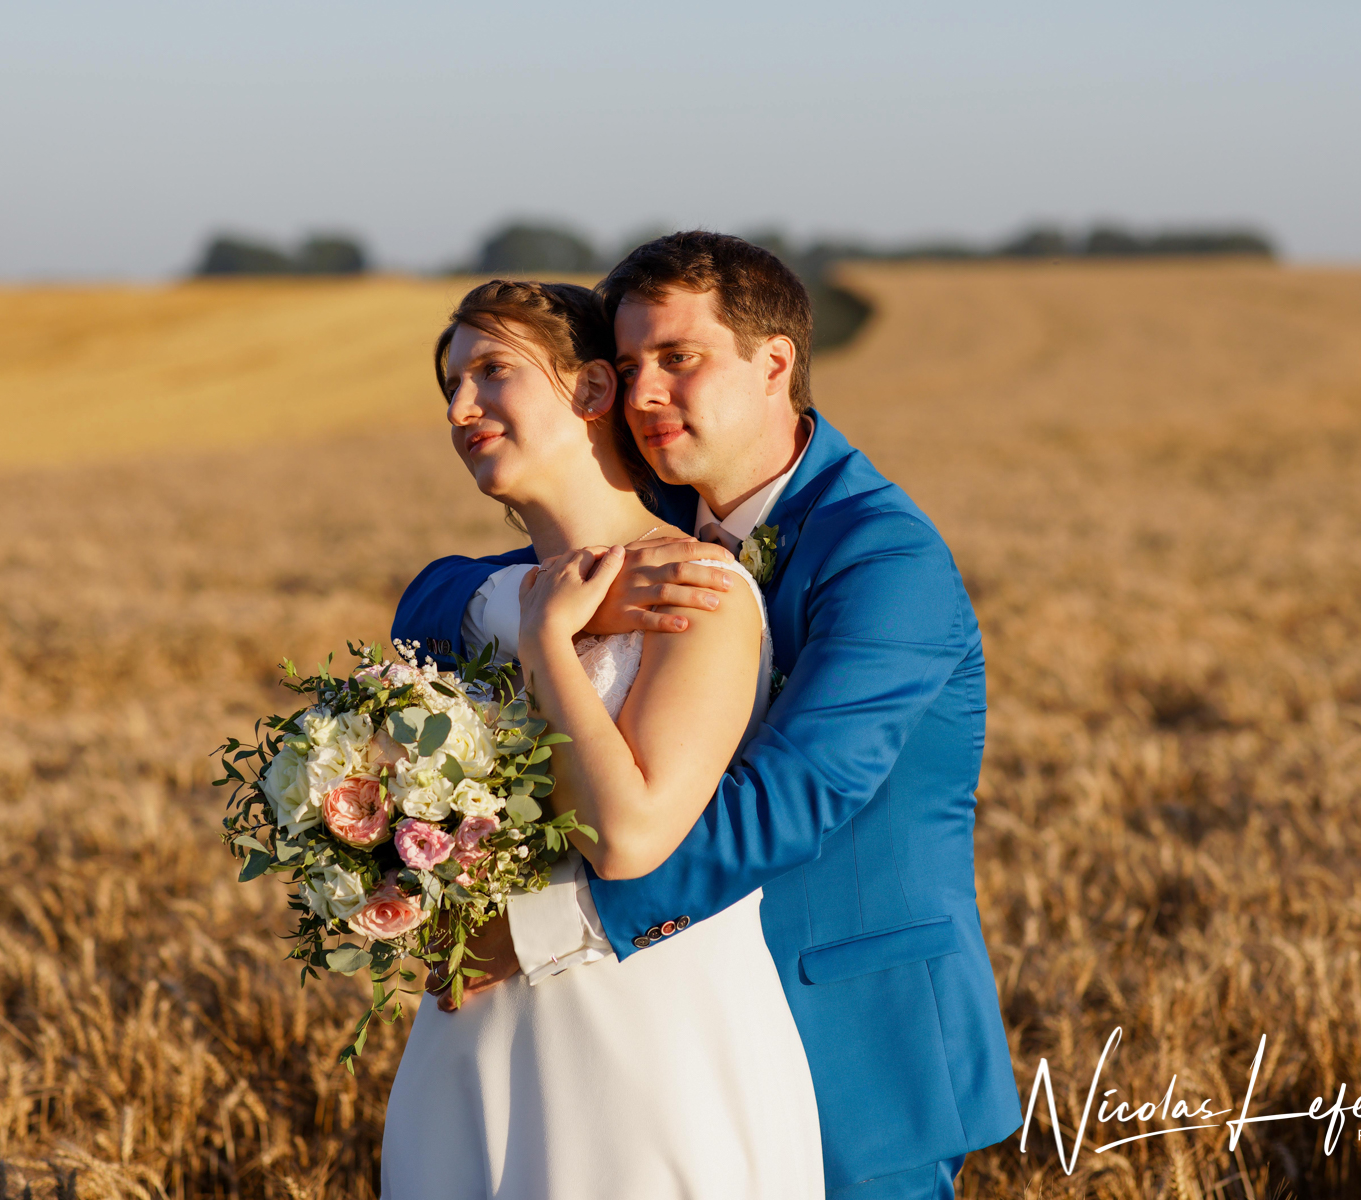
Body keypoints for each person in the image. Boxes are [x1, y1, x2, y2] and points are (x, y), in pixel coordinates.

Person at [394, 233, 1023, 1199]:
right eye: (630, 364)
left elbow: (791, 799)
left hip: (849, 1031)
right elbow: (436, 596)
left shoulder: (883, 555)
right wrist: (552, 610)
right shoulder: (657, 520)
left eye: (678, 359)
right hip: (650, 1037)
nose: (646, 393)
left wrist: (536, 934)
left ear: (775, 363)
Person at [379, 278, 827, 1199]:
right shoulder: (471, 604)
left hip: (647, 1042)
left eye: (492, 372)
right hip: (473, 1032)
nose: (462, 408)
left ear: (589, 392)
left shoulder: (698, 591)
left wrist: (550, 643)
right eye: (451, 386)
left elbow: (625, 839)